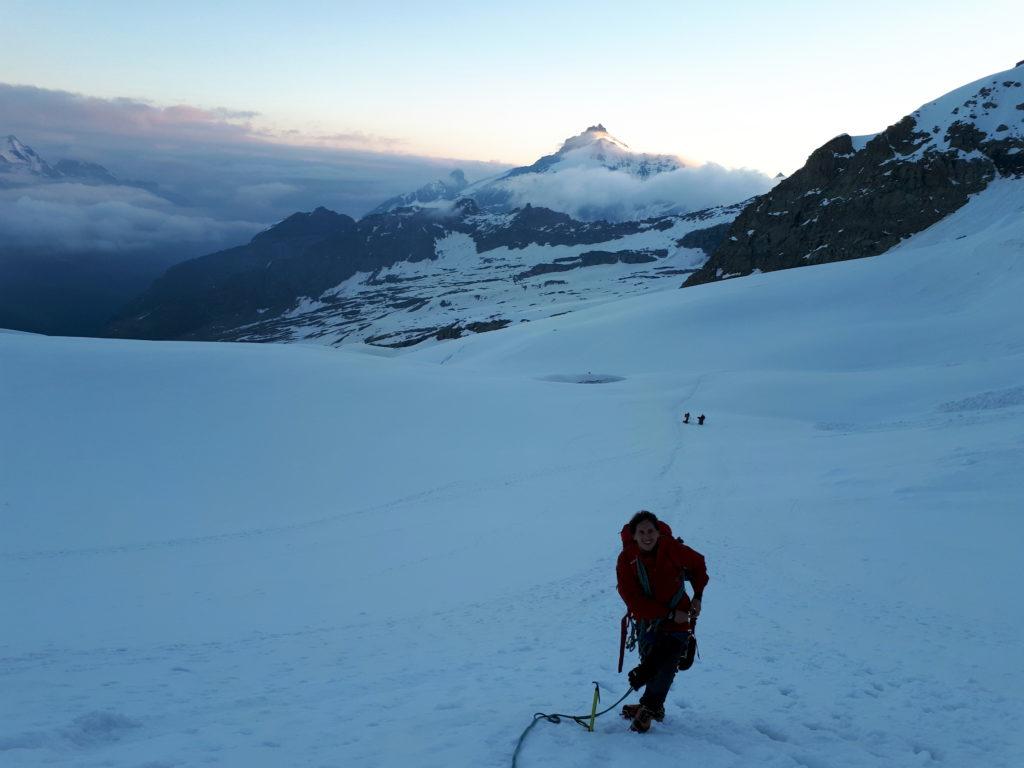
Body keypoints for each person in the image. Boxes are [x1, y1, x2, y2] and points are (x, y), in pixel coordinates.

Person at [616, 510, 708, 733]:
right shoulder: (626, 560)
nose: (647, 536)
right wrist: (668, 614)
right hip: (649, 621)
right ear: (634, 536)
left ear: (658, 533)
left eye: (651, 531)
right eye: (642, 532)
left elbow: (698, 565)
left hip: (679, 619)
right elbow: (633, 600)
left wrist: (697, 596)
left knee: (666, 663)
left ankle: (650, 708)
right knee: (651, 661)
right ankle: (652, 704)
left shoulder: (672, 549)